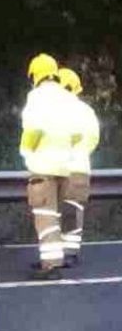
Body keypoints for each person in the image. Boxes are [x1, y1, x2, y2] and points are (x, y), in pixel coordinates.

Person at [19, 54, 78, 278]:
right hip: (66, 166)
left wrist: (25, 151)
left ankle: (51, 264)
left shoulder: (37, 97)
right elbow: (77, 133)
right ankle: (58, 257)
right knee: (57, 215)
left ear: (35, 74)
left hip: (43, 165)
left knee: (45, 216)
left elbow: (33, 129)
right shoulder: (68, 97)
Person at [57, 67, 100, 266]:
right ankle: (71, 253)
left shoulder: (52, 110)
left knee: (55, 211)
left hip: (56, 167)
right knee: (73, 210)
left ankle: (56, 254)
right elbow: (93, 139)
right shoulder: (86, 111)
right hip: (79, 166)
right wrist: (81, 153)